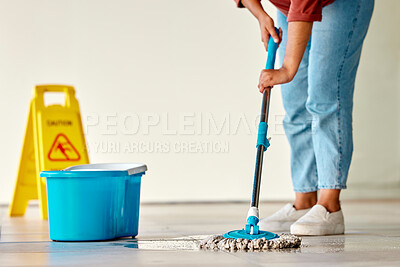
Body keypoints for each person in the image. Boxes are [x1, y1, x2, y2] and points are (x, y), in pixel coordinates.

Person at [235, 0, 374, 235]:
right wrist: (261, 16)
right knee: (295, 101)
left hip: (340, 3)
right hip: (290, 8)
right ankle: (305, 200)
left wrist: (288, 69)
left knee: (325, 97)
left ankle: (330, 206)